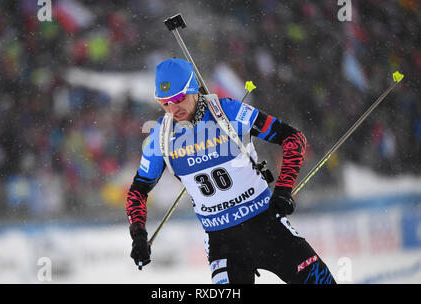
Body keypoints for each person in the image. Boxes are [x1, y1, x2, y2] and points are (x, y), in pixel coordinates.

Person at [126, 58, 335, 284]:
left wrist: (283, 189)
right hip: (223, 245)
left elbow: (293, 138)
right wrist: (138, 235)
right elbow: (137, 192)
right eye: (165, 102)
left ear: (193, 89)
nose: (173, 109)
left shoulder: (228, 112)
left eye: (179, 98)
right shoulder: (160, 137)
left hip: (267, 227)